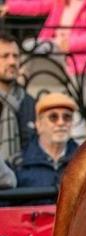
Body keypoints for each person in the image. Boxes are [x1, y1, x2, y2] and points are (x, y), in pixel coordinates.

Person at [0, 0, 86, 76]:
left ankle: (19, 75)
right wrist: (10, 7)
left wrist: (71, 44)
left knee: (30, 46)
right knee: (30, 46)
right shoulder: (61, 1)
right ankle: (20, 75)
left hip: (78, 57)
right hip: (55, 48)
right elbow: (38, 5)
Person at [10, 92, 79, 192]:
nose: (61, 123)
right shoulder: (17, 163)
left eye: (67, 117)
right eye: (53, 117)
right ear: (39, 125)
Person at [0, 33, 36, 165]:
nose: (12, 62)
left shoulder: (29, 102)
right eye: (5, 56)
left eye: (15, 56)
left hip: (23, 178)